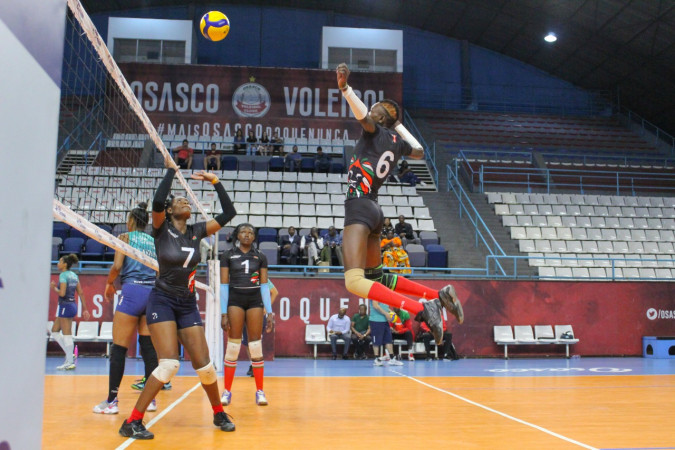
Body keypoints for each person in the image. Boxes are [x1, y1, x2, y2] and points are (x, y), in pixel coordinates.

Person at [336, 62, 463, 346]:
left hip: (359, 205)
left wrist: (346, 90)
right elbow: (419, 152)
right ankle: (436, 296)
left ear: (380, 116)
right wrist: (398, 125)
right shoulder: (396, 141)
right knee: (376, 277)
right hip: (376, 211)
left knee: (354, 282)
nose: (372, 108)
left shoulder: (373, 131)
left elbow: (362, 115)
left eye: (377, 107)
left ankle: (421, 308)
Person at [118, 159, 237, 439]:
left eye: (187, 201)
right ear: (170, 211)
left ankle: (219, 412)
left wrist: (216, 182)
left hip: (186, 303)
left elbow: (229, 213)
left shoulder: (196, 231)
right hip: (161, 300)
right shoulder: (161, 228)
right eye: (180, 201)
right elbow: (157, 201)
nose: (186, 203)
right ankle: (132, 421)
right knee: (169, 363)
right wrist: (172, 168)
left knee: (205, 365)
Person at [93, 203, 160, 415]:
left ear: (130, 221)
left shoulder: (125, 238)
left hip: (131, 293)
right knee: (148, 348)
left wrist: (109, 283)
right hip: (151, 293)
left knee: (119, 349)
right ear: (146, 223)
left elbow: (117, 267)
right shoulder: (154, 242)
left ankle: (112, 401)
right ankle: (150, 400)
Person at [220, 223, 275, 406]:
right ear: (237, 235)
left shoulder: (260, 256)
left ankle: (260, 391)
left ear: (254, 237)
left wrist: (270, 312)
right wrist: (223, 312)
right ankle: (227, 391)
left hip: (254, 301)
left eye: (250, 232)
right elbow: (224, 285)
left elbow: (265, 285)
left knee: (255, 345)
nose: (247, 235)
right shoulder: (227, 256)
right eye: (243, 231)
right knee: (233, 346)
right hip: (235, 300)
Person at [49, 254, 90, 370]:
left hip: (65, 305)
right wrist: (85, 309)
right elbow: (81, 293)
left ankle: (70, 361)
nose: (58, 263)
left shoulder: (63, 275)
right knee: (55, 331)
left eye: (60, 261)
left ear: (65, 264)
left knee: (67, 334)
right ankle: (69, 354)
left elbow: (62, 293)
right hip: (72, 305)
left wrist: (53, 288)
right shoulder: (74, 275)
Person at [242, 279, 279, 377]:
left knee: (255, 341)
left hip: (258, 313)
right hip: (245, 312)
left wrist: (266, 308)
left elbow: (274, 292)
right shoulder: (242, 276)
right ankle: (252, 364)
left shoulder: (263, 277)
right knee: (247, 342)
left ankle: (256, 365)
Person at [369, 300, 402, 366]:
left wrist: (390, 311)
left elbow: (384, 307)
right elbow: (376, 306)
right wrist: (386, 314)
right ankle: (377, 359)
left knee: (388, 340)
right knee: (376, 341)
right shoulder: (375, 292)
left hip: (385, 321)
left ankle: (392, 359)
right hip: (376, 320)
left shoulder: (384, 294)